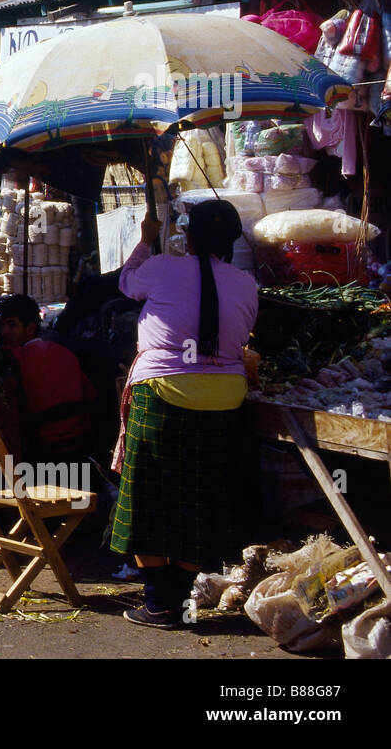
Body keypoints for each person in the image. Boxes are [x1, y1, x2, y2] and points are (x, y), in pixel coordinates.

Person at [110, 201, 259, 629]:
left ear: (188, 236)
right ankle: (175, 600)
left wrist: (144, 239)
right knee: (198, 499)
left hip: (164, 393)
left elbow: (126, 283)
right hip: (225, 399)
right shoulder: (246, 284)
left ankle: (160, 604)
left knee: (150, 498)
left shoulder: (160, 266)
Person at [0, 293, 95, 464]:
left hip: (42, 451)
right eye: (3, 325)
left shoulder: (14, 358)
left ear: (30, 328)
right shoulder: (66, 353)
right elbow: (90, 395)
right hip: (78, 446)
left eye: (12, 325)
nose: (4, 332)